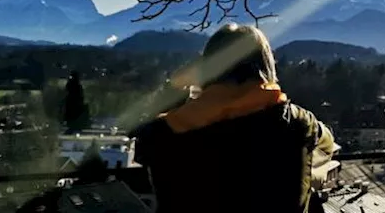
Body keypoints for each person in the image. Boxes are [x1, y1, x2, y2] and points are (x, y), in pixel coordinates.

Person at [134, 23, 335, 212]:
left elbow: (144, 147)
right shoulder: (298, 123)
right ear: (266, 66)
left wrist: (173, 89)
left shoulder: (166, 132)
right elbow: (326, 145)